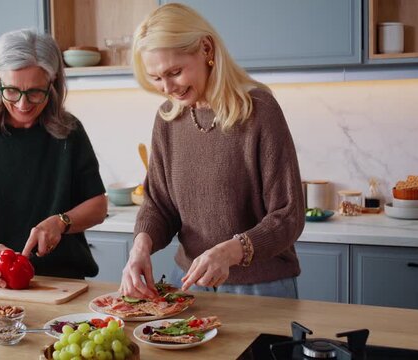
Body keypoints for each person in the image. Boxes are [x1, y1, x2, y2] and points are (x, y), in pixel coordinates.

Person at [119, 3, 304, 299]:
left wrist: (231, 252)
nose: (167, 87)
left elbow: (288, 215)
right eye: (155, 78)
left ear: (206, 49)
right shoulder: (168, 118)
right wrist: (141, 247)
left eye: (175, 72)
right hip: (191, 286)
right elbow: (159, 205)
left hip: (261, 290)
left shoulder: (259, 111)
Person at [0, 29, 107, 286]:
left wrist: (62, 222)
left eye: (34, 92)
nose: (22, 104)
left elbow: (98, 207)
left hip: (59, 281)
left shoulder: (69, 133)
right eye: (11, 91)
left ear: (52, 84)